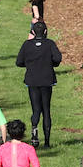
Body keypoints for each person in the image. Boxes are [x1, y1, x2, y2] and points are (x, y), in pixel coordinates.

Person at [15, 20, 62, 148]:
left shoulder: (27, 44)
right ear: (46, 32)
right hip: (47, 80)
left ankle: (34, 130)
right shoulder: (50, 44)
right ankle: (47, 142)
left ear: (33, 32)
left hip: (32, 80)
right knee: (46, 110)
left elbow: (19, 62)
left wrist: (29, 64)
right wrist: (50, 63)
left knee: (36, 109)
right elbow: (58, 59)